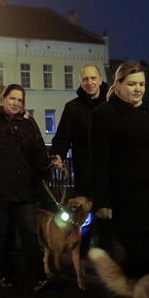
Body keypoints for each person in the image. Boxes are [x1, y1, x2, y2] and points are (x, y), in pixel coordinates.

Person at [90, 61, 149, 298]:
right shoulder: (105, 113)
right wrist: (102, 200)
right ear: (118, 85)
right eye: (132, 84)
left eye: (142, 84)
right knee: (137, 256)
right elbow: (99, 159)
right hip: (127, 197)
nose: (138, 89)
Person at [0, 84, 51, 289]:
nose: (16, 103)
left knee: (29, 233)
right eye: (12, 98)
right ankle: (4, 273)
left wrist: (45, 170)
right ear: (3, 98)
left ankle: (37, 275)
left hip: (25, 190)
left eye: (20, 100)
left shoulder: (29, 124)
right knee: (2, 233)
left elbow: (39, 153)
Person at [50, 64, 109, 252]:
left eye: (93, 78)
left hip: (110, 174)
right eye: (85, 79)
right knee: (84, 222)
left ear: (100, 80)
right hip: (86, 174)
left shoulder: (112, 104)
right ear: (81, 82)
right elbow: (62, 137)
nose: (89, 82)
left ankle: (107, 263)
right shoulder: (73, 108)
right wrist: (57, 155)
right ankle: (80, 259)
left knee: (108, 224)